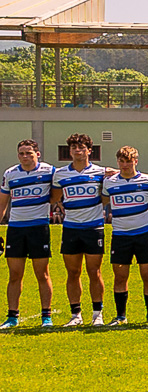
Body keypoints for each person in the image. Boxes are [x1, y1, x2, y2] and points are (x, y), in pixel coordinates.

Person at [50, 133, 111, 326]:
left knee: (94, 271)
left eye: (82, 147)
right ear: (70, 151)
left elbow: (110, 191)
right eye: (74, 147)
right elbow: (55, 197)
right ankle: (76, 314)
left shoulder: (100, 172)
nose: (78, 151)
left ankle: (97, 314)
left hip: (94, 228)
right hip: (71, 228)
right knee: (73, 272)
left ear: (89, 150)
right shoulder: (60, 174)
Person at [101, 146, 148, 325]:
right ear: (117, 162)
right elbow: (102, 201)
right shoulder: (110, 182)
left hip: (144, 234)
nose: (125, 165)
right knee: (120, 277)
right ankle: (121, 316)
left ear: (136, 161)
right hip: (120, 236)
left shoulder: (147, 181)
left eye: (128, 161)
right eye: (122, 161)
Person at [2, 139, 56, 328]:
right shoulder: (10, 174)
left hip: (39, 228)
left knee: (42, 274)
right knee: (15, 274)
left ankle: (46, 316)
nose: (25, 157)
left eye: (29, 153)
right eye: (21, 153)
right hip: (16, 228)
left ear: (37, 154)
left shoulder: (49, 171)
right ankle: (12, 317)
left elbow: (58, 192)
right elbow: (3, 203)